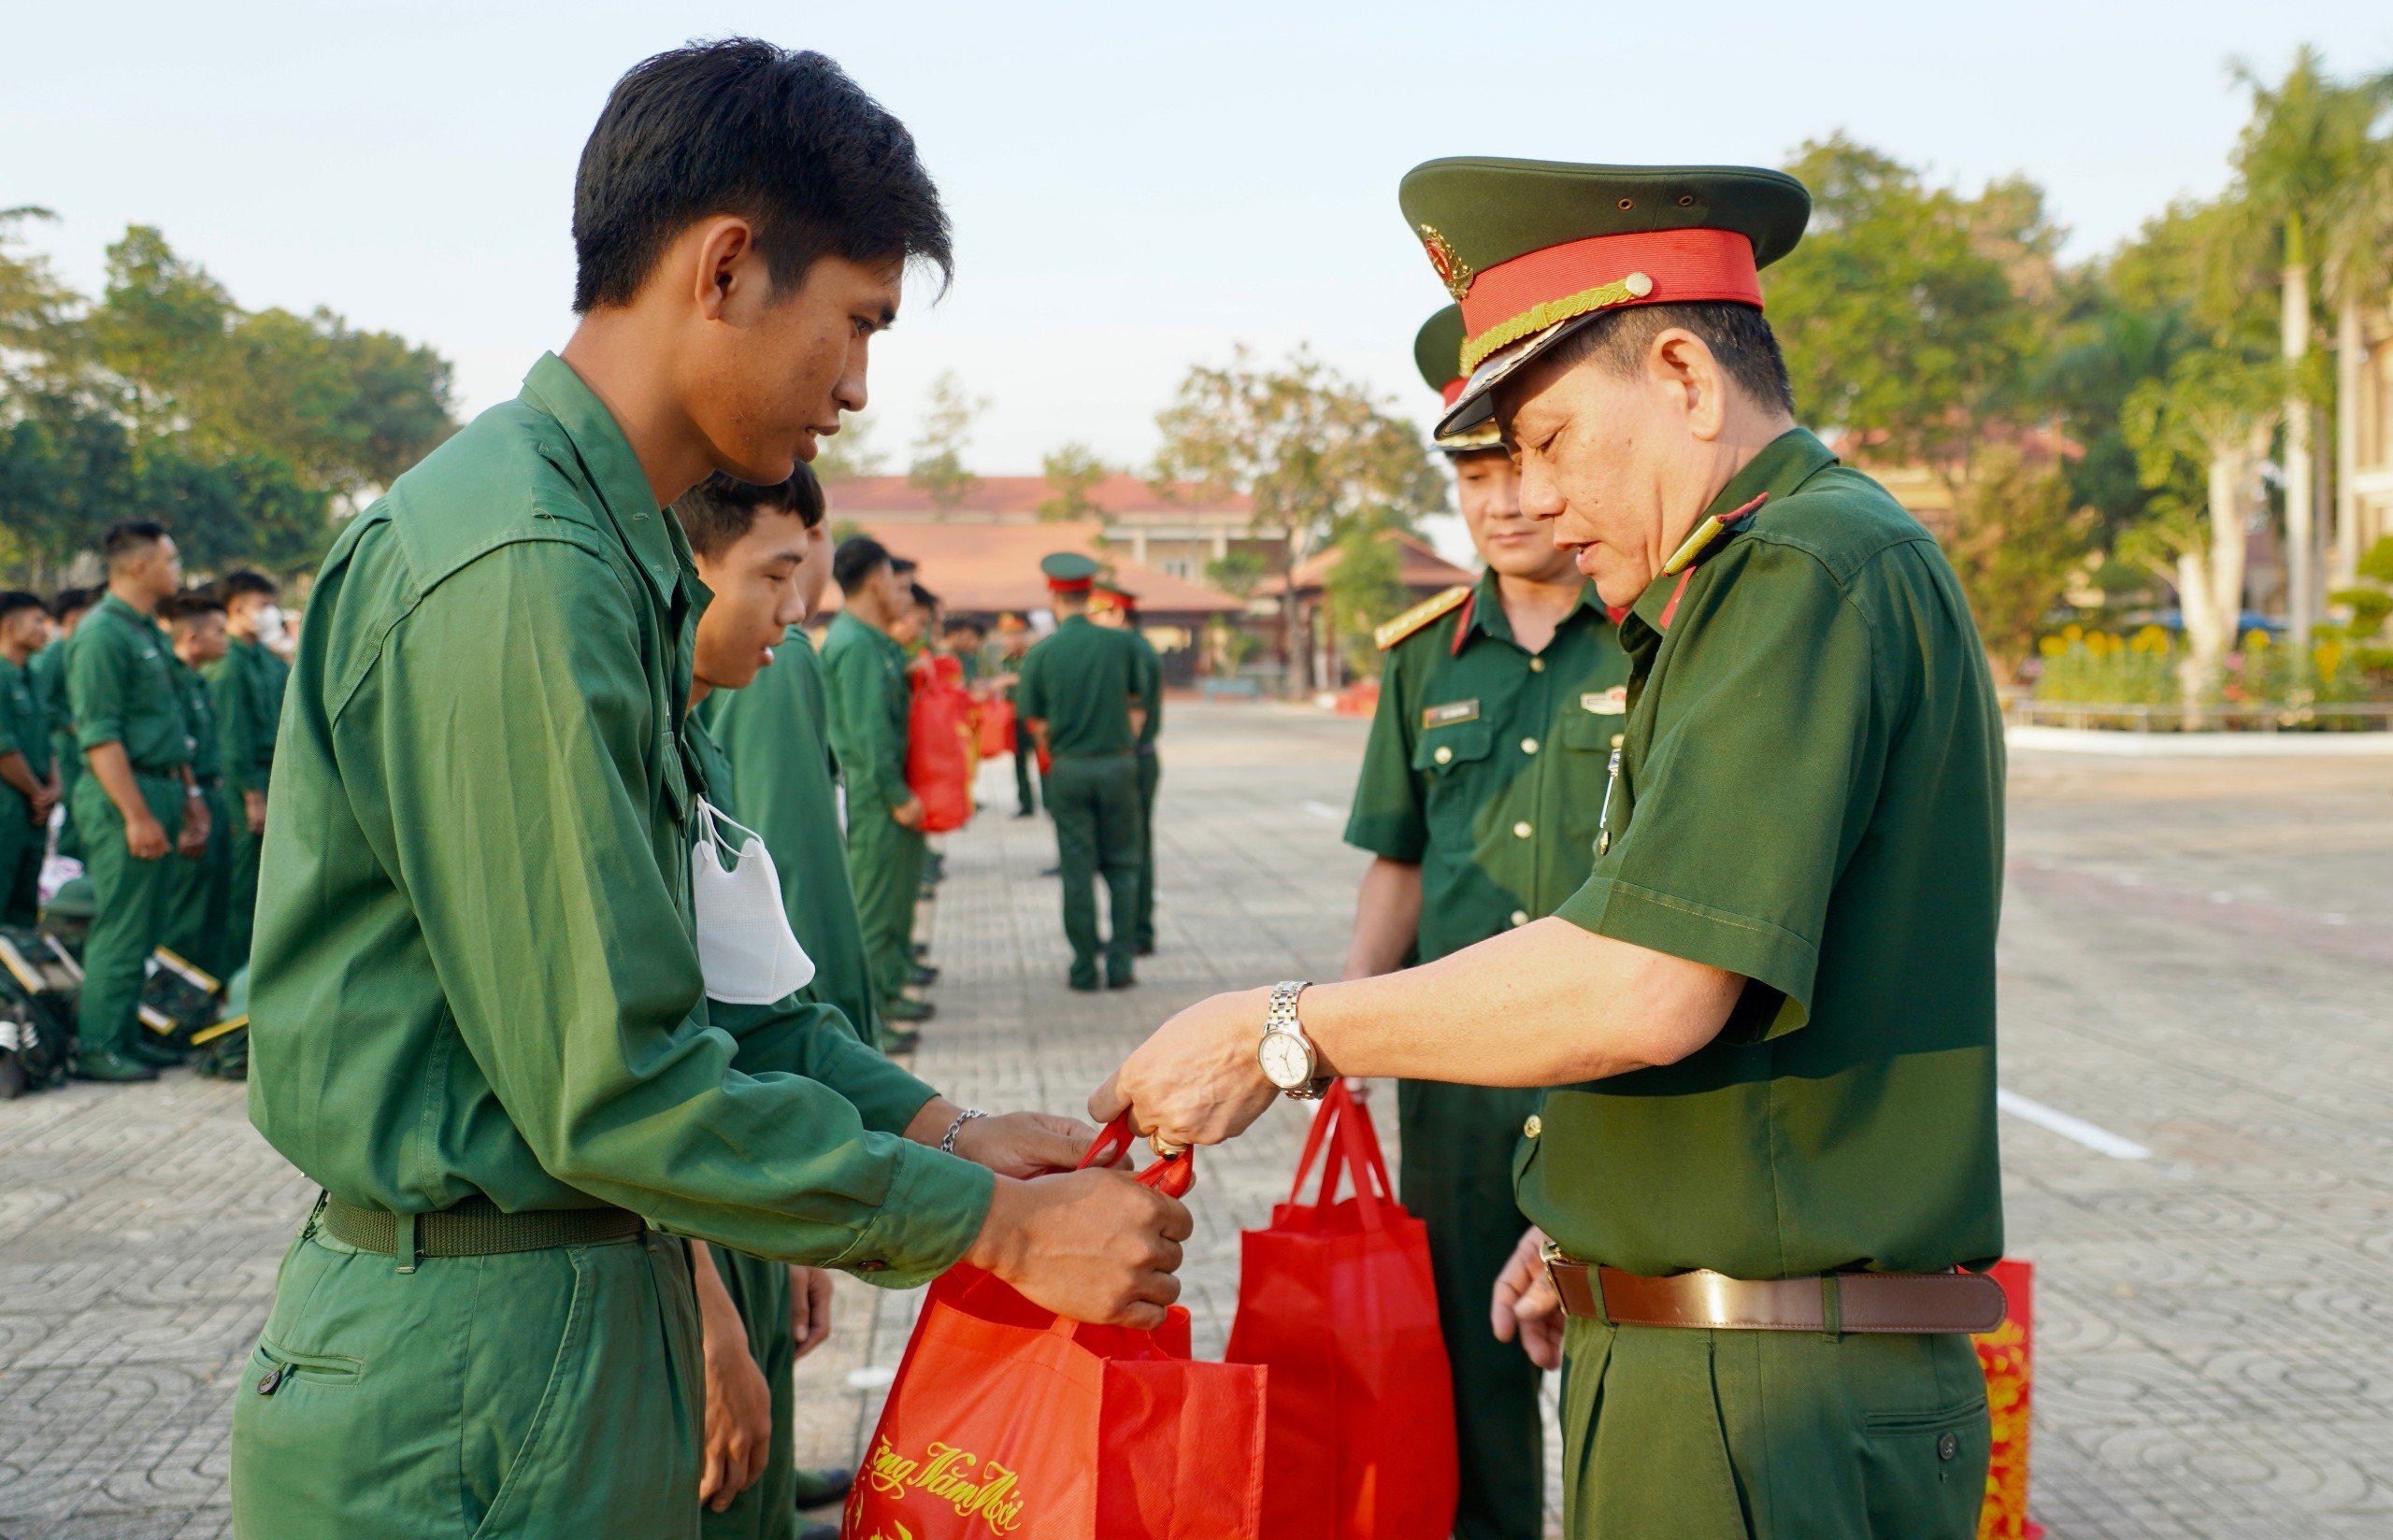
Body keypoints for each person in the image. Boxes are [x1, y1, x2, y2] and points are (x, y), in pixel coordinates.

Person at [229, 43, 1189, 1540]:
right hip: (476, 1362)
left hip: (563, 1312)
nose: (859, 390)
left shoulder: (603, 557)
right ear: (729, 266)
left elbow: (723, 999)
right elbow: (613, 1085)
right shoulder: (521, 571)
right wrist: (995, 1231)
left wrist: (943, 1131)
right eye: (856, 324)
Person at [1096, 159, 2006, 1540]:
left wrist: (1278, 1030)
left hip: (1756, 1398)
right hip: (1728, 1353)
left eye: (1556, 437)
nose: (1533, 499)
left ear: (1689, 378)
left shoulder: (1792, 575)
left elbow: (1652, 982)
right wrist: (1598, 1218)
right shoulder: (1755, 582)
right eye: (1503, 456)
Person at [1314, 302, 1636, 1540]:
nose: (1504, 502)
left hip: (1616, 1068)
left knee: (1615, 1349)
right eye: (1476, 473)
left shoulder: (1651, 639)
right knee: (1470, 1354)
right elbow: (1398, 864)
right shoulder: (1423, 661)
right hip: (1455, 1073)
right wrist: (1341, 1025)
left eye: (1522, 463)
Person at [676, 467, 885, 1540]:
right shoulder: (619, 747)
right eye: (779, 572)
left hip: (746, 1131)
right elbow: (627, 1075)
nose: (799, 607)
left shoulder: (692, 734)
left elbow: (757, 1002)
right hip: (678, 1198)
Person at [66, 520, 205, 1082]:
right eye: (170, 560)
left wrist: (190, 796)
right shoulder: (102, 633)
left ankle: (126, 1036)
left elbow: (168, 724)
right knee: (123, 925)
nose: (178, 570)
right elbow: (100, 735)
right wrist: (137, 815)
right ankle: (98, 1045)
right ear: (140, 566)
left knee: (147, 925)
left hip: (163, 783)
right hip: (126, 791)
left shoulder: (142, 629)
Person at [1016, 553, 1153, 991]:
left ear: (1054, 595)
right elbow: (1140, 705)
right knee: (1124, 867)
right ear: (1090, 593)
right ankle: (1120, 965)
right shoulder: (1123, 645)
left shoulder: (1041, 654)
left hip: (1069, 769)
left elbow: (1036, 724)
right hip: (1118, 764)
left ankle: (1082, 968)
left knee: (1077, 871)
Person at [822, 535, 935, 1027]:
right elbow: (868, 736)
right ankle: (872, 1024)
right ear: (873, 581)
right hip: (875, 796)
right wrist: (896, 794)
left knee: (894, 902)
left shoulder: (875, 642)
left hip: (889, 792)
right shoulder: (857, 645)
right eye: (893, 578)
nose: (901, 590)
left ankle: (888, 993)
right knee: (874, 909)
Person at [206, 569, 290, 971]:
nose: (271, 613)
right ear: (236, 608)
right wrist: (252, 796)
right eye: (263, 606)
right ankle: (238, 975)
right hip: (247, 784)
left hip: (275, 776)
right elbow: (231, 738)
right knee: (245, 890)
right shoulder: (229, 665)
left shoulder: (266, 661)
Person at [160, 587, 235, 977]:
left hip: (213, 794)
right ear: (192, 636)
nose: (226, 639)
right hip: (191, 798)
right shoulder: (169, 681)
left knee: (215, 903)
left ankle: (208, 995)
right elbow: (177, 752)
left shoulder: (197, 681)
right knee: (187, 909)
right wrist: (193, 806)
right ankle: (175, 1000)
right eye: (219, 631)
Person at [1086, 581, 1164, 955]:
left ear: (1116, 613)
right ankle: (1136, 928)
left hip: (1133, 756)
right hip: (1135, 756)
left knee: (1133, 849)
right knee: (1134, 846)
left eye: (1096, 614)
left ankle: (1138, 931)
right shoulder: (1134, 646)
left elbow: (1135, 709)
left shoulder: (1131, 649)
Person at [0, 591, 58, 925]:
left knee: (24, 901)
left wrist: (54, 787)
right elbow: (4, 748)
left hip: (33, 805)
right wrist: (37, 791)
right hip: (10, 800)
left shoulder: (31, 676)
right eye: (37, 621)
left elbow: (44, 739)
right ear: (9, 625)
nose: (44, 629)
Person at [31, 587, 94, 861]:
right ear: (73, 617)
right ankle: (69, 866)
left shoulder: (85, 648)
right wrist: (67, 722)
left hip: (85, 742)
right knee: (71, 804)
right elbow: (41, 701)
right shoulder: (55, 654)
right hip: (66, 744)